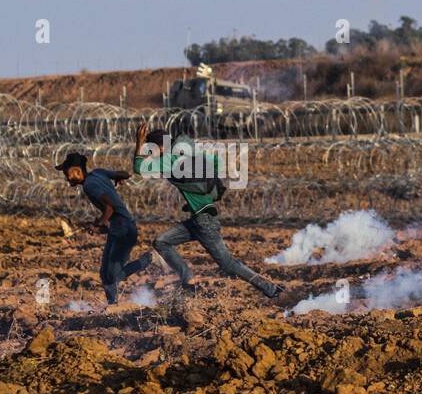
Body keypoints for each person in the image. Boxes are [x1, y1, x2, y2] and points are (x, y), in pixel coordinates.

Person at [132, 121, 281, 299]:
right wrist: (202, 188)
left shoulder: (168, 159)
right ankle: (187, 279)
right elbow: (216, 162)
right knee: (161, 242)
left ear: (160, 148)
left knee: (228, 264)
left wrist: (139, 142)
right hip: (197, 219)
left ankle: (270, 289)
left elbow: (138, 168)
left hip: (204, 222)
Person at [56, 152, 152, 304]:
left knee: (114, 275)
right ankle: (112, 305)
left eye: (67, 174)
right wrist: (118, 177)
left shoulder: (89, 185)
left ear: (77, 171)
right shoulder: (98, 173)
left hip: (124, 229)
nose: (67, 178)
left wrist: (97, 224)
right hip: (118, 227)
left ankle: (149, 260)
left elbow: (110, 208)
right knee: (104, 274)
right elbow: (125, 174)